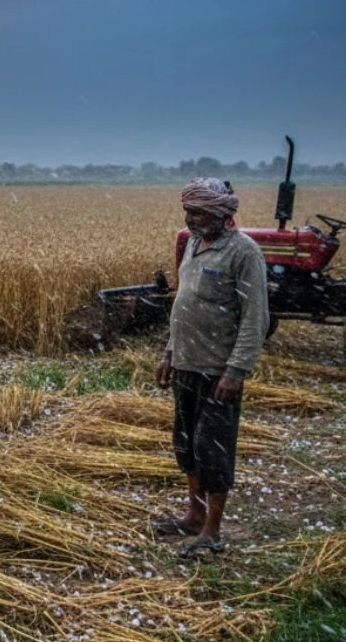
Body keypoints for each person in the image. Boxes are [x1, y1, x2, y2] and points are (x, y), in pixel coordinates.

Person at [153, 177, 269, 558]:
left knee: (213, 450)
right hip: (185, 364)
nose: (190, 218)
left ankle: (212, 531)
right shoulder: (193, 245)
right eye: (187, 211)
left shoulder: (243, 252)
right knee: (186, 444)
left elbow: (255, 319)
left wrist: (236, 371)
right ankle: (193, 516)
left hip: (218, 371)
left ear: (221, 214)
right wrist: (169, 352)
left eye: (198, 211)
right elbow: (182, 306)